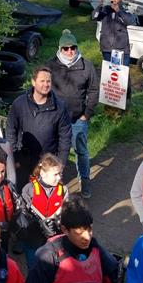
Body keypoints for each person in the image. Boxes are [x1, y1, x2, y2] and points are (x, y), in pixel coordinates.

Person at [46, 30, 98, 199]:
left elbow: (94, 90)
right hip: (55, 119)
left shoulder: (86, 65)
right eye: (65, 48)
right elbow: (42, 88)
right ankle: (54, 184)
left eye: (73, 48)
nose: (69, 51)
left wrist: (87, 114)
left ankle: (85, 180)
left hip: (78, 118)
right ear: (59, 49)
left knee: (81, 151)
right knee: (55, 152)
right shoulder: (51, 66)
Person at [6, 67, 72, 192]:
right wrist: (14, 156)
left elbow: (65, 137)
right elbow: (10, 130)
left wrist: (61, 164)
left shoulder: (60, 107)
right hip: (23, 159)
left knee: (44, 195)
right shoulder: (19, 104)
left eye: (48, 81)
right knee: (21, 192)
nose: (46, 84)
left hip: (47, 161)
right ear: (33, 82)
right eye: (42, 81)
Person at [20, 153, 66, 269]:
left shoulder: (63, 190)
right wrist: (38, 223)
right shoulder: (29, 189)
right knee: (34, 266)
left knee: (54, 267)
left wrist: (56, 223)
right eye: (55, 174)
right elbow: (23, 213)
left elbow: (66, 212)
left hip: (54, 236)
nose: (59, 177)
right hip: (33, 236)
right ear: (42, 173)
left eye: (60, 174)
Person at [91, 0, 136, 64]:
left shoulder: (125, 9)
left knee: (122, 72)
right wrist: (99, 6)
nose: (113, 0)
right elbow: (94, 17)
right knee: (108, 71)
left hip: (121, 48)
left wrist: (118, 11)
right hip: (107, 47)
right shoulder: (105, 9)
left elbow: (130, 21)